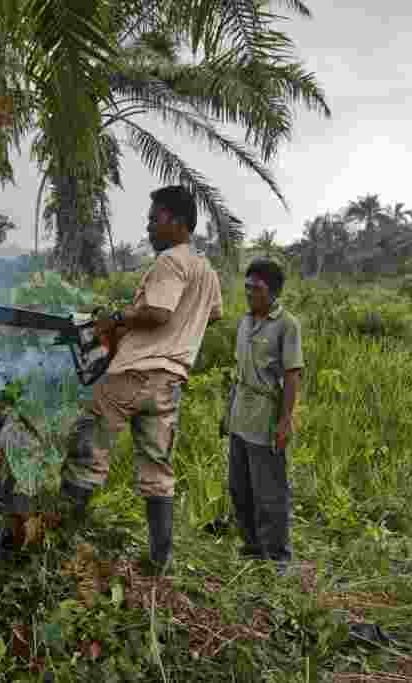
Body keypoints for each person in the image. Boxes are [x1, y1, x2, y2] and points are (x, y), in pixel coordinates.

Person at [60, 185, 223, 574]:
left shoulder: (170, 260)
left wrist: (117, 318)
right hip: (169, 382)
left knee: (89, 454)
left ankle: (56, 546)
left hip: (132, 374)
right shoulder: (205, 269)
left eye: (155, 219)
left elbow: (159, 312)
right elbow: (213, 314)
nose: (148, 226)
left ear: (177, 222)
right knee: (157, 472)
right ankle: (159, 561)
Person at [220, 259, 303, 575]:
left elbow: (292, 376)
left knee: (269, 491)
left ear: (272, 292)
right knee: (239, 487)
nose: (249, 292)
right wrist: (227, 412)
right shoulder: (243, 322)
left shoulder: (286, 325)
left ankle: (277, 558)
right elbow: (238, 374)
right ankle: (252, 549)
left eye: (257, 288)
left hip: (265, 418)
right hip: (241, 414)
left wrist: (285, 421)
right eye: (247, 286)